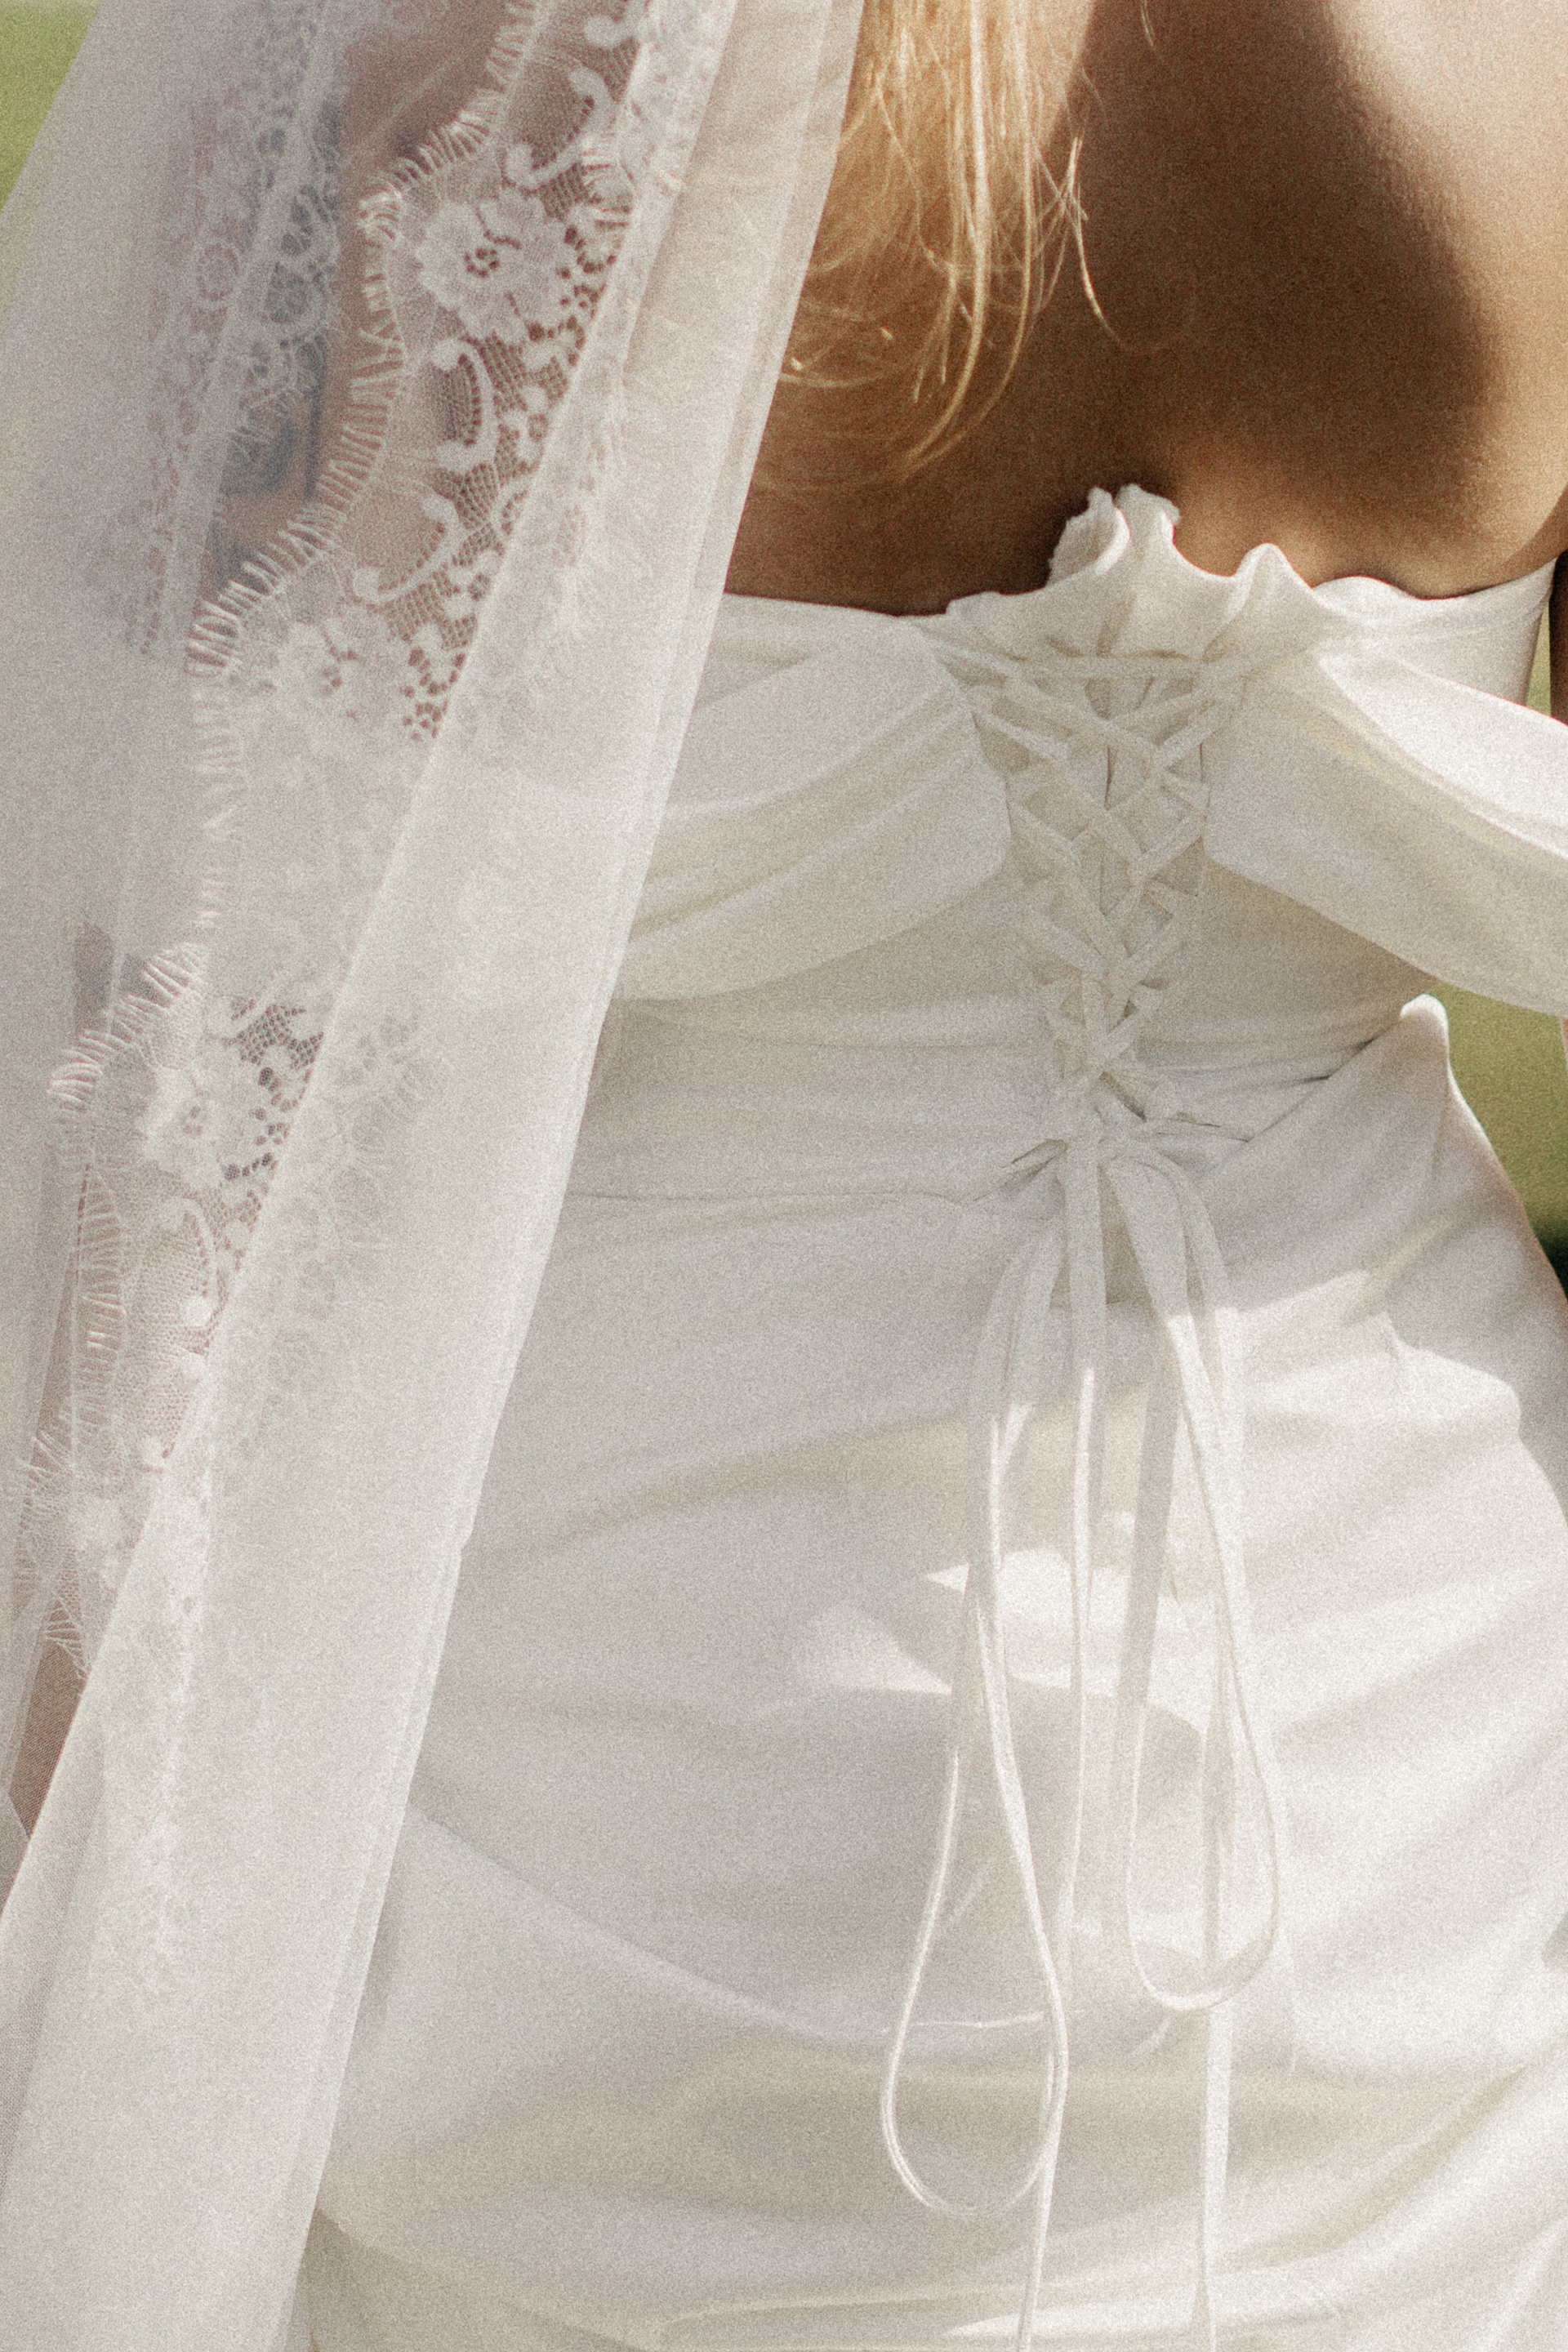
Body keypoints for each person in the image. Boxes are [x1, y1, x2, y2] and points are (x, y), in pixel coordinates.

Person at [2, 1, 1568, 2347]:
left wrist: (83, 1920)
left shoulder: (504, 58)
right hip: (1395, 1713)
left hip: (619, 1723)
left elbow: (185, 1044)